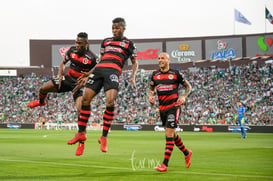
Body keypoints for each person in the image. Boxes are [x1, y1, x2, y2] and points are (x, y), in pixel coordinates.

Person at [67, 17, 138, 155]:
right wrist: (88, 73)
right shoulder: (105, 41)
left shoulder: (129, 44)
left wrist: (133, 76)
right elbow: (100, 60)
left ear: (123, 28)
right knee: (85, 99)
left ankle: (104, 136)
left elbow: (135, 62)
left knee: (110, 101)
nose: (114, 30)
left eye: (117, 28)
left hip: (113, 71)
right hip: (99, 70)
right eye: (113, 28)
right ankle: (81, 133)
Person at [28, 32, 98, 155]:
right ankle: (41, 102)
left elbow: (99, 70)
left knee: (80, 110)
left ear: (86, 44)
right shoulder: (72, 51)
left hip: (79, 84)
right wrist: (60, 75)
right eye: (76, 42)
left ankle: (81, 142)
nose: (77, 45)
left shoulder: (91, 57)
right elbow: (63, 63)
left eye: (80, 43)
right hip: (68, 79)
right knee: (43, 88)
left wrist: (88, 78)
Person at [148, 52, 192, 172]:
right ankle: (187, 153)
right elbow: (150, 89)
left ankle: (165, 164)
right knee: (172, 134)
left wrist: (184, 97)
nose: (160, 60)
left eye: (162, 58)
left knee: (168, 134)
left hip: (174, 107)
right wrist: (150, 96)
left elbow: (188, 87)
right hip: (162, 109)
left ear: (168, 60)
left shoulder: (175, 74)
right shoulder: (154, 75)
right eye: (158, 58)